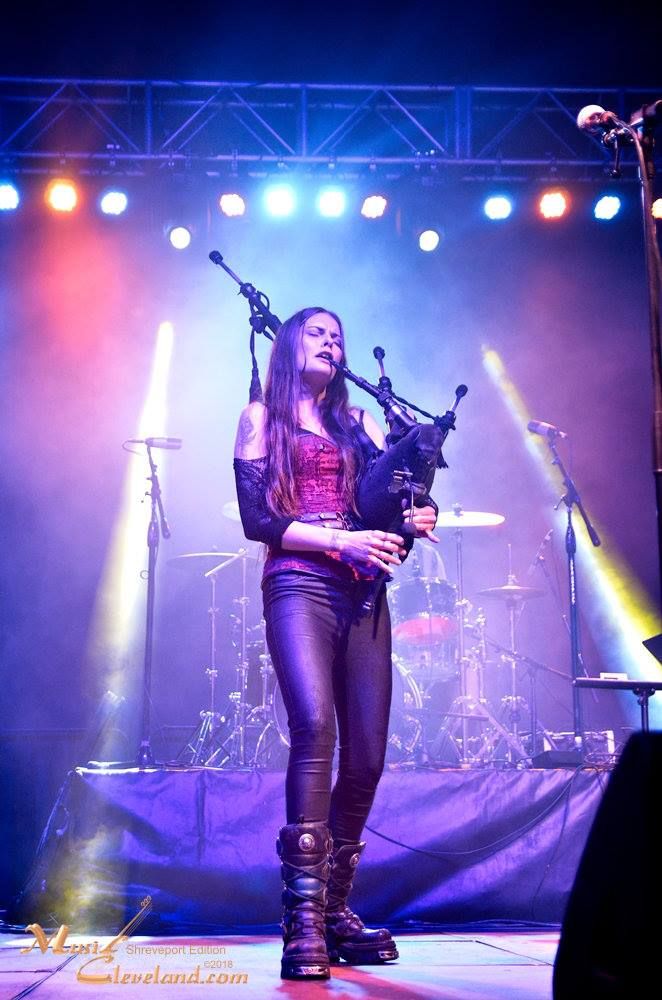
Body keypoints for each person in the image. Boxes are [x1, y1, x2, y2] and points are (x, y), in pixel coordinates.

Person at [233, 307, 440, 980]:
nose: (331, 342)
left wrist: (416, 515)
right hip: (299, 583)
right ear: (288, 343)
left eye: (338, 337)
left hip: (365, 592)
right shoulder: (261, 418)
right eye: (318, 333)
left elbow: (390, 507)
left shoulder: (361, 422)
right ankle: (301, 922)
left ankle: (332, 910)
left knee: (369, 756)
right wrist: (338, 541)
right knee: (316, 728)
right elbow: (258, 519)